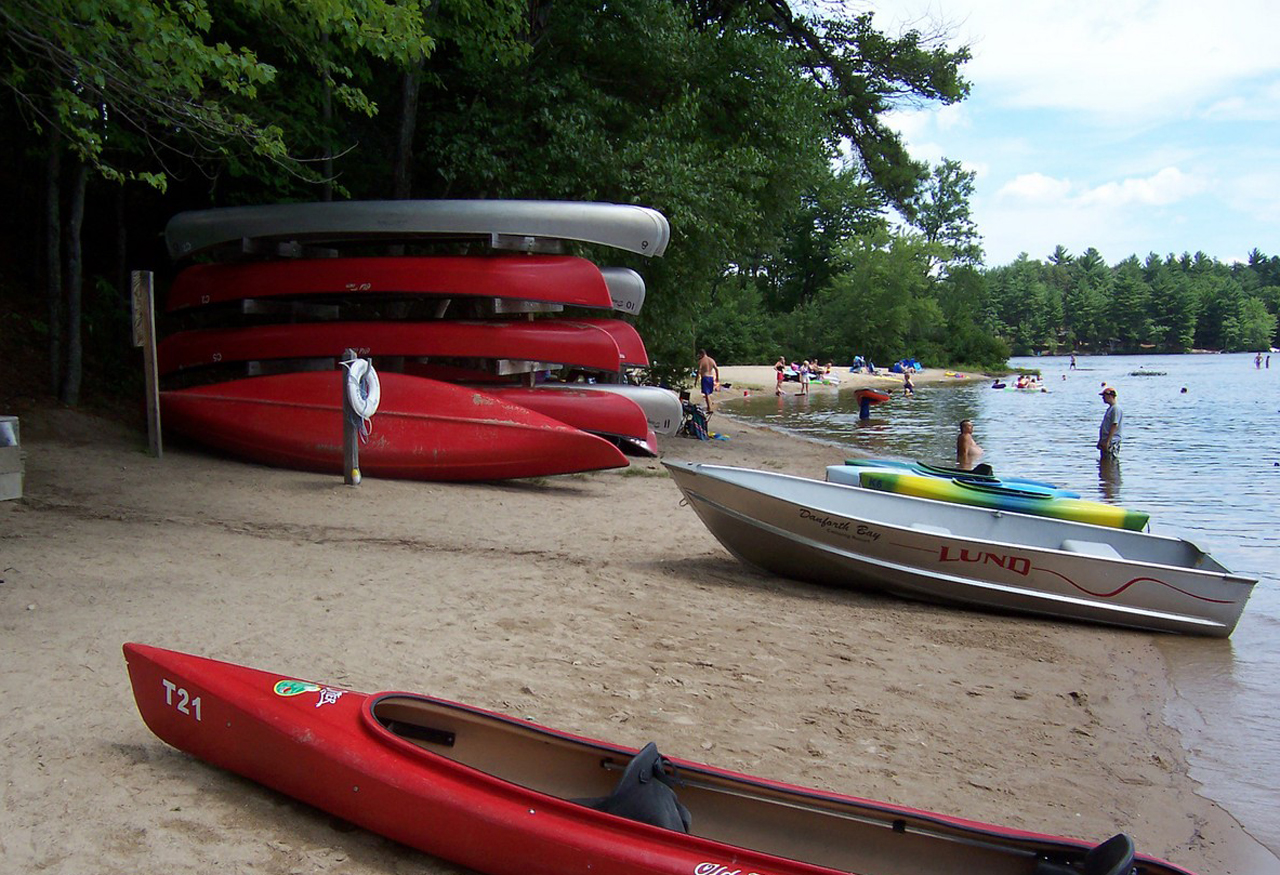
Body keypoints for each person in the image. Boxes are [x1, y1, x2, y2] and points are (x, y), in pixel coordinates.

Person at [1097, 386, 1122, 460]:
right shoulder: (1110, 409)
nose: (1103, 398)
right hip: (1106, 441)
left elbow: (1114, 425)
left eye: (1104, 396)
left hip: (1111, 442)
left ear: (1110, 396)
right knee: (1105, 463)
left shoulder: (1115, 409)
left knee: (1111, 462)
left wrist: (1107, 442)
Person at [696, 349, 719, 413]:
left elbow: (699, 371)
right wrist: (717, 378)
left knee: (706, 394)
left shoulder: (701, 361)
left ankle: (709, 408)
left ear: (702, 354)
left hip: (705, 378)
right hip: (711, 377)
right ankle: (710, 404)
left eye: (699, 355)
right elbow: (716, 369)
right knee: (708, 393)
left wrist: (696, 379)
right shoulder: (711, 360)